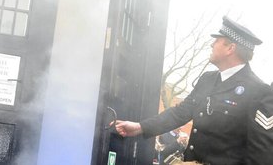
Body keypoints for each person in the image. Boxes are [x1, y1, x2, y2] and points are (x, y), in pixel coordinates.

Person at [114, 16, 273, 164]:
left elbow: (261, 156)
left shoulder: (259, 92)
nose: (212, 44)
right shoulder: (207, 79)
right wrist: (140, 127)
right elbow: (180, 113)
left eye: (217, 40)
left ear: (230, 48)